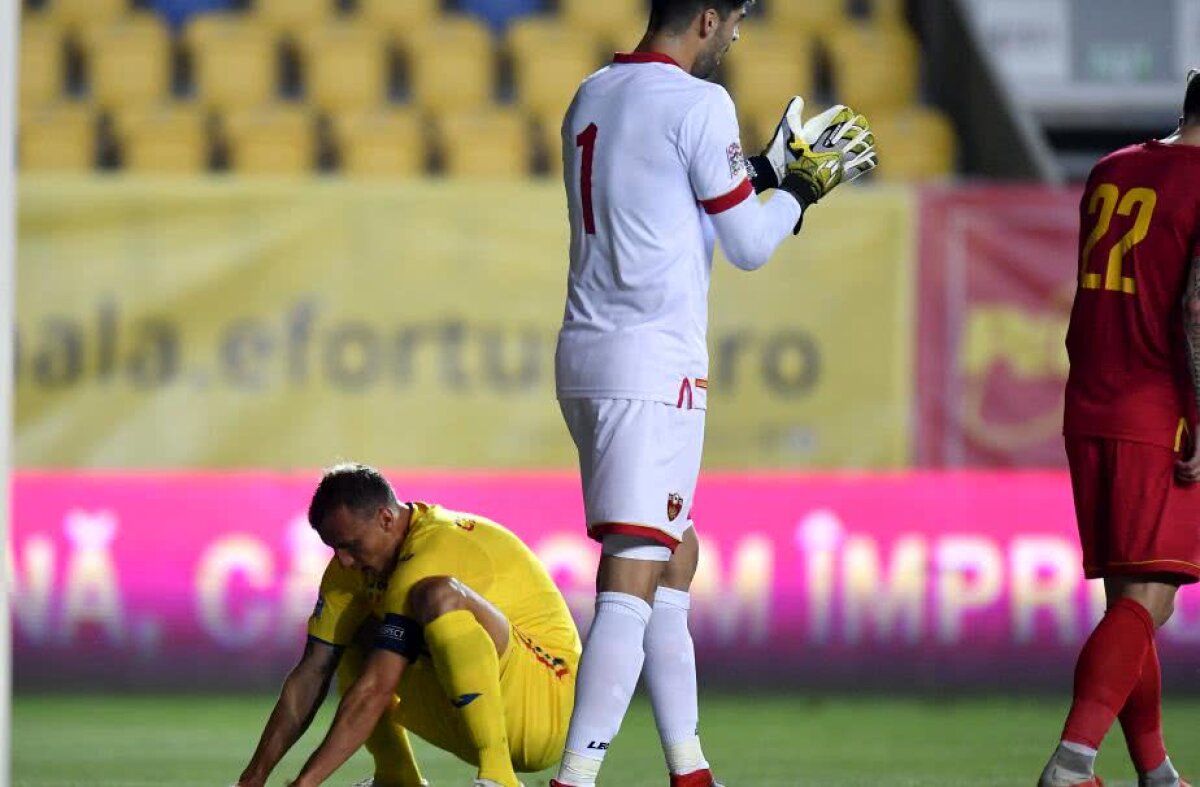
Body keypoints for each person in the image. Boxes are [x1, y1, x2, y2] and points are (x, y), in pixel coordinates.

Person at [550, 1, 878, 785]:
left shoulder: (592, 91)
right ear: (706, 17)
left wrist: (759, 171)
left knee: (674, 555)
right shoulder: (701, 103)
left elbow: (662, 205)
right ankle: (574, 776)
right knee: (633, 572)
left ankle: (690, 769)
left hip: (586, 353)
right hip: (652, 367)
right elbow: (749, 245)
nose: (736, 35)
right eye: (734, 20)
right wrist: (800, 188)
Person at [1041, 69, 1200, 787]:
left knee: (1126, 598)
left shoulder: (1111, 169)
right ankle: (1073, 763)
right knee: (1150, 599)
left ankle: (1156, 770)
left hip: (1091, 403)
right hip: (1157, 409)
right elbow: (1194, 312)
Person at [234, 463, 581, 787]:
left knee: (439, 594)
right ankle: (397, 778)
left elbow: (375, 690)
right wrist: (253, 778)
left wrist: (305, 783)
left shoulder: (433, 548)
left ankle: (498, 777)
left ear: (386, 518)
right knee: (355, 634)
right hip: (476, 708)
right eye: (335, 548)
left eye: (351, 546)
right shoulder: (350, 570)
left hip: (544, 703)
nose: (344, 561)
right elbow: (312, 671)